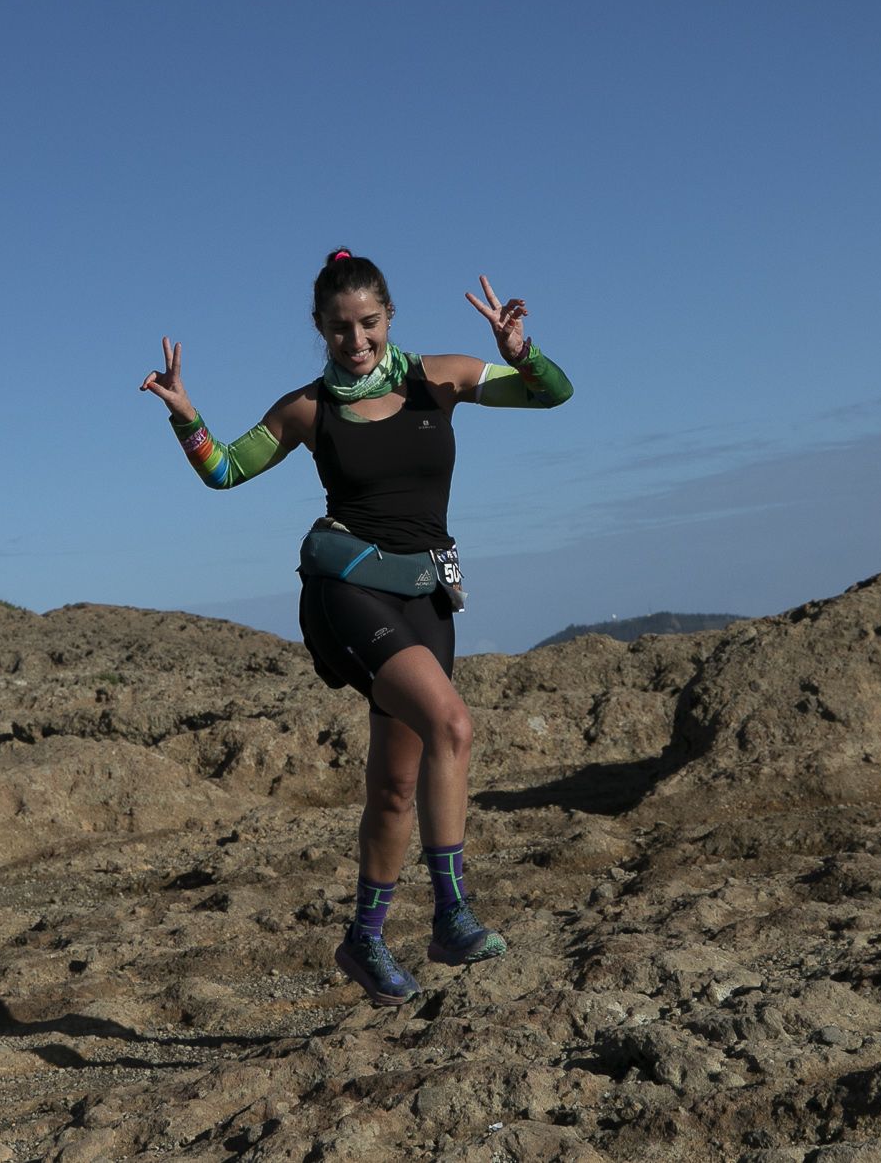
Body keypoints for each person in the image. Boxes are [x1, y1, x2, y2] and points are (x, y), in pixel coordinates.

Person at [141, 248, 573, 1007]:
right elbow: (223, 471)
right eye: (340, 328)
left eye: (368, 323)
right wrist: (188, 419)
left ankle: (365, 938)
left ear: (389, 318)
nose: (356, 340)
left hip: (425, 595)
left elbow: (553, 396)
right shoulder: (309, 409)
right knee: (454, 725)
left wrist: (521, 354)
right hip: (346, 588)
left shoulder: (441, 377)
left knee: (397, 782)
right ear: (319, 328)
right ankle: (451, 915)